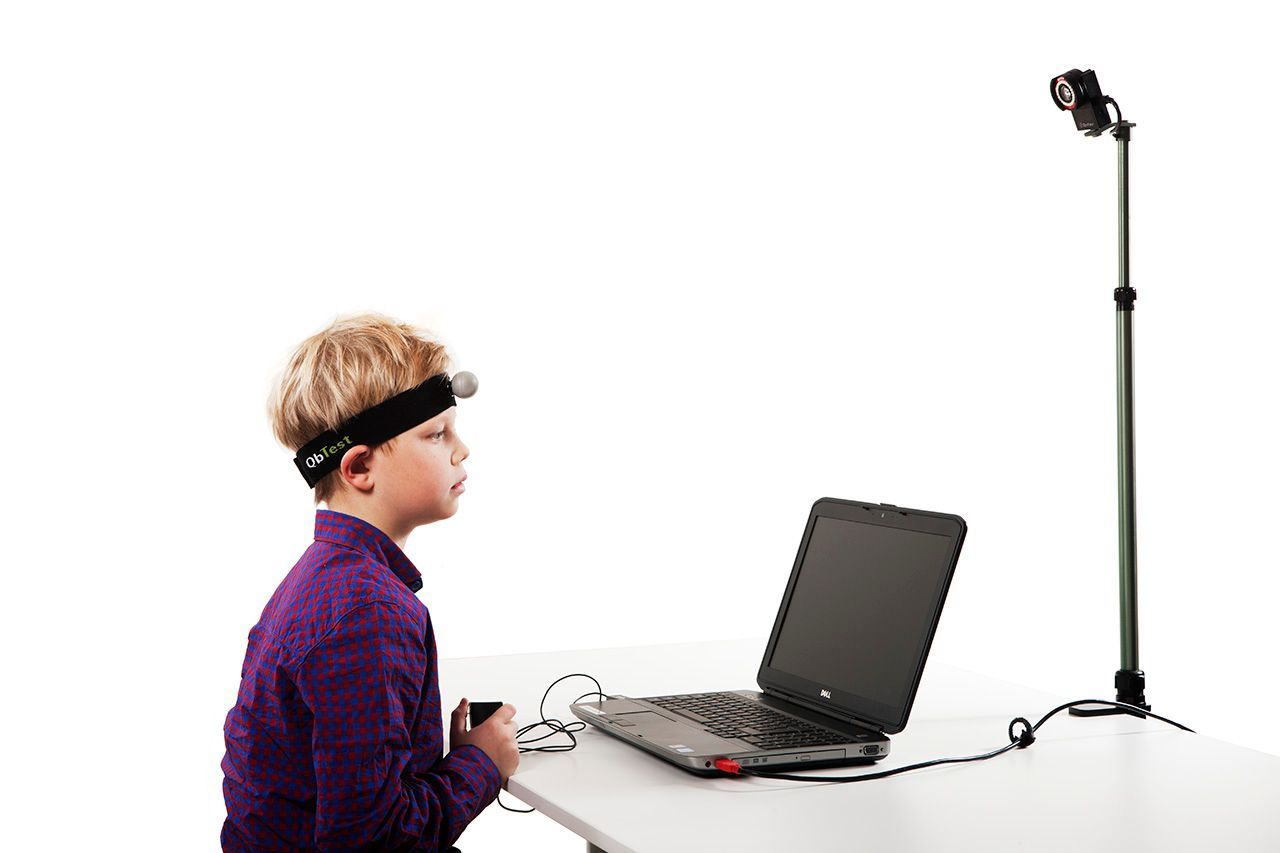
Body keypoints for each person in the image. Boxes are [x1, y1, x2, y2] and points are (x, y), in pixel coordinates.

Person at [220, 313, 519, 851]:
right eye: (437, 434)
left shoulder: (324, 577)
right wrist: (480, 765)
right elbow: (375, 841)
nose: (462, 449)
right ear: (358, 468)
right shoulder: (367, 612)